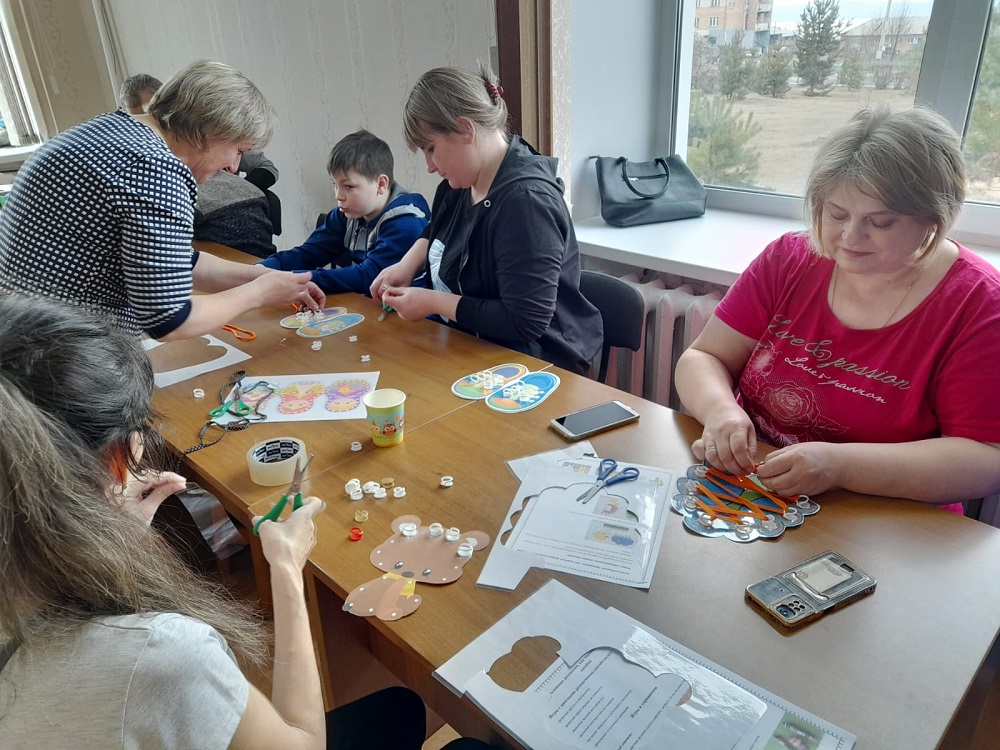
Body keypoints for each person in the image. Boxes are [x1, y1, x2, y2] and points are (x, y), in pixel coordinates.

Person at [0, 294, 492, 750]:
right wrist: (286, 565)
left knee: (399, 708)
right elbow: (304, 743)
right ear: (116, 461)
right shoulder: (160, 652)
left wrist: (114, 528)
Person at [674, 106, 1000, 510]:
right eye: (837, 213)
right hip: (757, 489)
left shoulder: (979, 304)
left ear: (934, 218)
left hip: (890, 516)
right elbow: (704, 357)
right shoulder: (789, 258)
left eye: (881, 222)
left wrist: (839, 466)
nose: (850, 237)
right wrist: (721, 412)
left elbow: (985, 458)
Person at [0, 60, 323, 341]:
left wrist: (261, 276)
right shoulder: (156, 169)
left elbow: (174, 261)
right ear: (210, 130)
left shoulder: (109, 129)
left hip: (18, 330)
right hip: (55, 349)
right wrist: (258, 294)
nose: (234, 167)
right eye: (238, 150)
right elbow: (168, 320)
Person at [370, 64, 602, 375]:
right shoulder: (460, 184)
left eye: (431, 149)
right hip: (475, 350)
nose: (429, 166)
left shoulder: (526, 203)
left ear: (466, 129)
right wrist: (407, 264)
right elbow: (439, 229)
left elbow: (525, 321)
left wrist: (432, 302)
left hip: (536, 367)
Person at [260, 129, 430, 295]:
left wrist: (294, 280)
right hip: (368, 303)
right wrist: (263, 268)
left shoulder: (406, 223)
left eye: (348, 186)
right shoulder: (347, 214)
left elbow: (368, 277)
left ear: (381, 184)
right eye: (335, 185)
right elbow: (310, 252)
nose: (338, 196)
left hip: (406, 310)